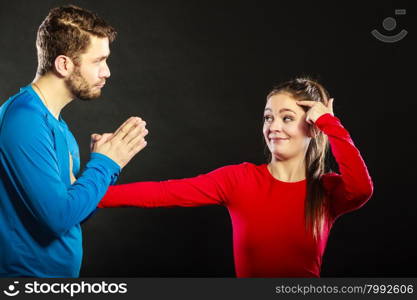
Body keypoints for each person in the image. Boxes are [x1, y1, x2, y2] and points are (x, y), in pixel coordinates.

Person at [99, 77, 373, 277]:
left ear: (312, 128)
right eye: (268, 118)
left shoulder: (326, 189)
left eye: (287, 118)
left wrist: (330, 123)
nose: (273, 127)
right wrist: (88, 191)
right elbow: (164, 193)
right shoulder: (240, 179)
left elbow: (361, 188)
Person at [0, 5, 148, 277]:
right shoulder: (25, 121)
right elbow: (57, 218)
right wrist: (105, 164)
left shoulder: (57, 125)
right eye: (98, 61)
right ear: (64, 64)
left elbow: (74, 214)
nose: (107, 72)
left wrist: (104, 169)